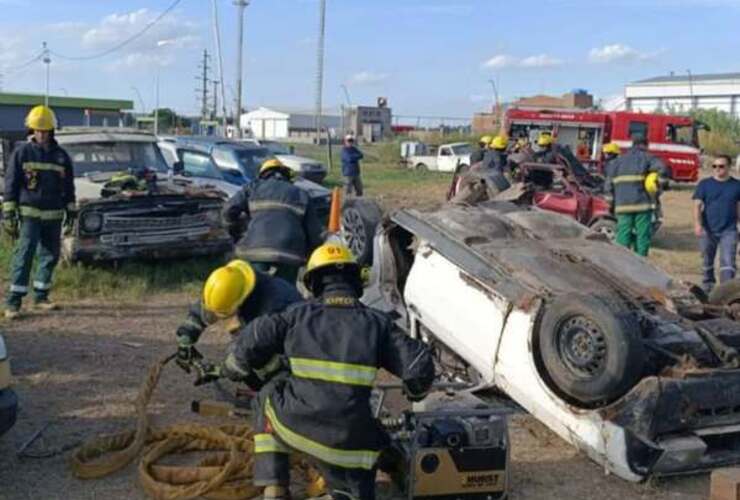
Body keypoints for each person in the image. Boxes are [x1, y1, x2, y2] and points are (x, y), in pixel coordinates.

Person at [206, 243, 435, 500]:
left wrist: (231, 368)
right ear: (355, 279)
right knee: (355, 483)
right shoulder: (378, 324)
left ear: (313, 283)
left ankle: (275, 488)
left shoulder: (294, 316)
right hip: (352, 446)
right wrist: (416, 391)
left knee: (266, 396)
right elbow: (419, 365)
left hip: (297, 427)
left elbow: (252, 339)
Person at [2, 105, 75, 319]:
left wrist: (71, 212)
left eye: (45, 130)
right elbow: (11, 182)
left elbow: (69, 187)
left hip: (54, 214)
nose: (41, 134)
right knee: (24, 255)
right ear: (31, 130)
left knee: (50, 255)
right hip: (29, 213)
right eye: (37, 130)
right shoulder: (22, 152)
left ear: (52, 131)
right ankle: (13, 303)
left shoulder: (61, 156)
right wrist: (9, 212)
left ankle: (41, 296)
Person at [175, 259, 302, 374]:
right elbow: (209, 306)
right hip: (270, 329)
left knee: (262, 367)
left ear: (241, 301)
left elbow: (252, 347)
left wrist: (223, 371)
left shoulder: (271, 308)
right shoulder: (234, 281)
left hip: (293, 349)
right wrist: (186, 338)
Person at [223, 158, 324, 284]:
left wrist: (235, 234)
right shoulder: (301, 194)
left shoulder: (253, 187)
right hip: (289, 255)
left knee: (255, 291)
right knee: (285, 294)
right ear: (286, 175)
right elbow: (315, 234)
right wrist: (310, 257)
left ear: (263, 175)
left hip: (255, 251)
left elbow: (228, 210)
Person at [606, 135, 667, 257]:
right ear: (645, 145)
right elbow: (662, 168)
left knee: (623, 235)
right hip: (642, 205)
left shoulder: (617, 162)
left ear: (632, 144)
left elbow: (608, 186)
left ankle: (621, 262)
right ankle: (641, 264)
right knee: (642, 235)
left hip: (622, 206)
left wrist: (611, 206)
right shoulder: (647, 157)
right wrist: (658, 187)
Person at [692, 155, 740, 292]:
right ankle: (708, 287)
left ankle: (726, 291)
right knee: (707, 260)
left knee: (728, 261)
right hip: (708, 229)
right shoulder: (704, 184)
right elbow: (697, 205)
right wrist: (697, 224)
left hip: (729, 230)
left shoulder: (737, 186)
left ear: (729, 167)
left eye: (721, 166)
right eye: (714, 166)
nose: (717, 169)